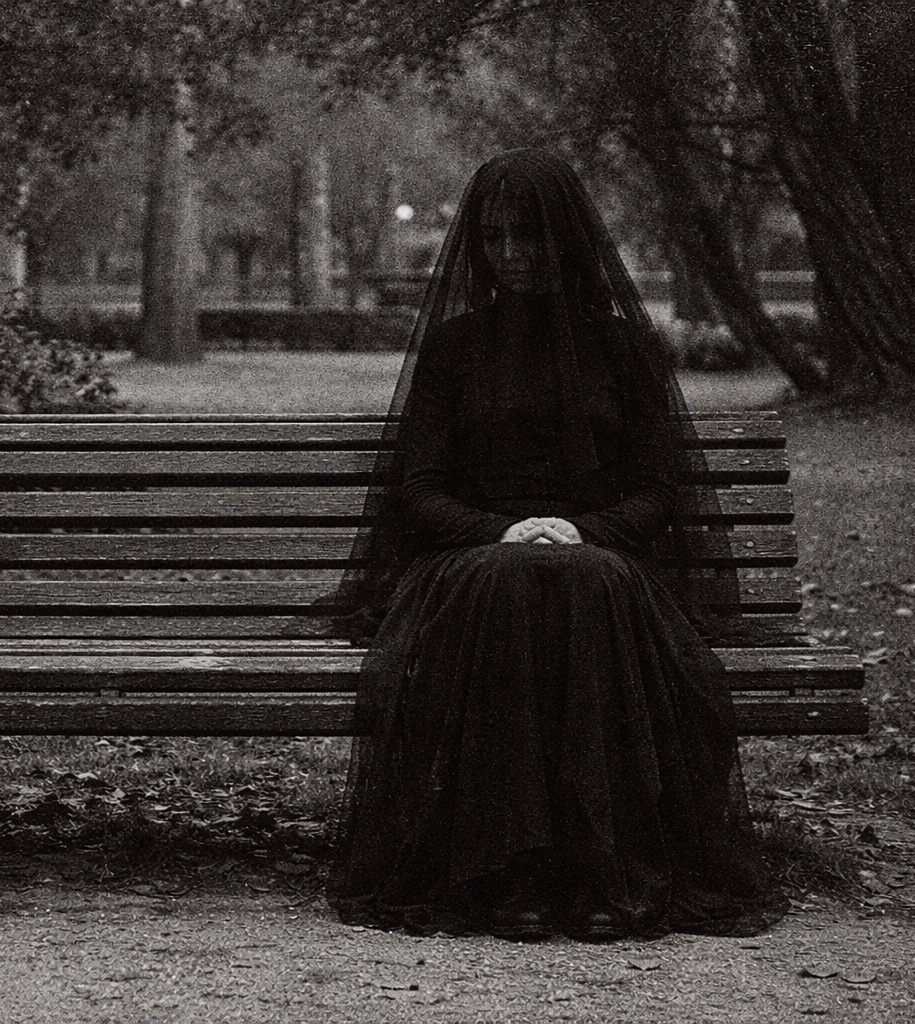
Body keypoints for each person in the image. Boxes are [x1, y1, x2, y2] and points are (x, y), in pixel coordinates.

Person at [328, 149, 786, 941]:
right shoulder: (454, 347)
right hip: (472, 559)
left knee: (590, 586)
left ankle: (600, 870)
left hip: (602, 558)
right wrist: (500, 531)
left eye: (530, 238)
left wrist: (585, 530)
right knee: (508, 588)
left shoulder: (622, 348)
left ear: (566, 241)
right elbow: (421, 489)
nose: (511, 255)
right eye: (495, 238)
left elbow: (657, 490)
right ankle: (513, 871)